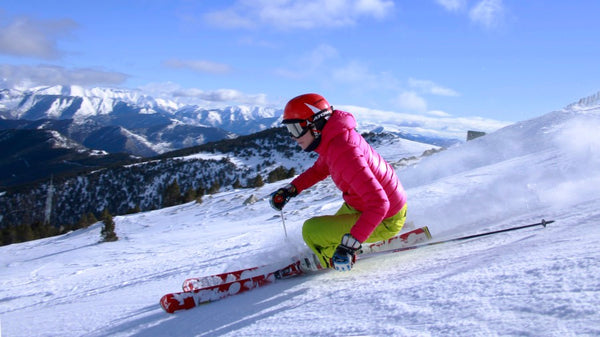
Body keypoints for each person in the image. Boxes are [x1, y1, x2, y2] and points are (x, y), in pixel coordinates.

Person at [270, 93, 407, 272]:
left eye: (295, 129)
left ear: (316, 125)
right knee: (323, 232)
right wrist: (291, 189)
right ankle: (331, 247)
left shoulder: (344, 151)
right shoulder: (334, 140)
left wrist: (348, 246)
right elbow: (319, 170)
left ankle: (326, 260)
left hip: (386, 217)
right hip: (363, 206)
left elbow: (380, 204)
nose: (293, 138)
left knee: (312, 231)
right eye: (289, 131)